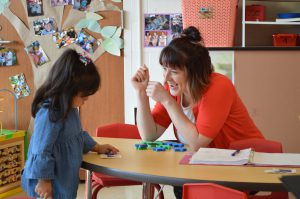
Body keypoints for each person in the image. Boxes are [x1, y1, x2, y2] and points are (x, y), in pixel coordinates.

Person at [131, 26, 264, 199]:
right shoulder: (173, 90)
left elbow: (198, 143)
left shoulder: (218, 87)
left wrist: (168, 102)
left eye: (174, 71)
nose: (166, 78)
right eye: (164, 69)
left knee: (185, 186)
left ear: (194, 72)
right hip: (208, 166)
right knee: (182, 185)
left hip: (243, 166)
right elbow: (148, 135)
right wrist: (141, 93)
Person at [21, 49, 119, 199]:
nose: (85, 100)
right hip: (49, 182)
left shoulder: (70, 108)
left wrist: (97, 147)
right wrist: (43, 180)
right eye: (83, 96)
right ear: (67, 88)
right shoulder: (49, 113)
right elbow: (41, 150)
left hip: (64, 177)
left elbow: (77, 134)